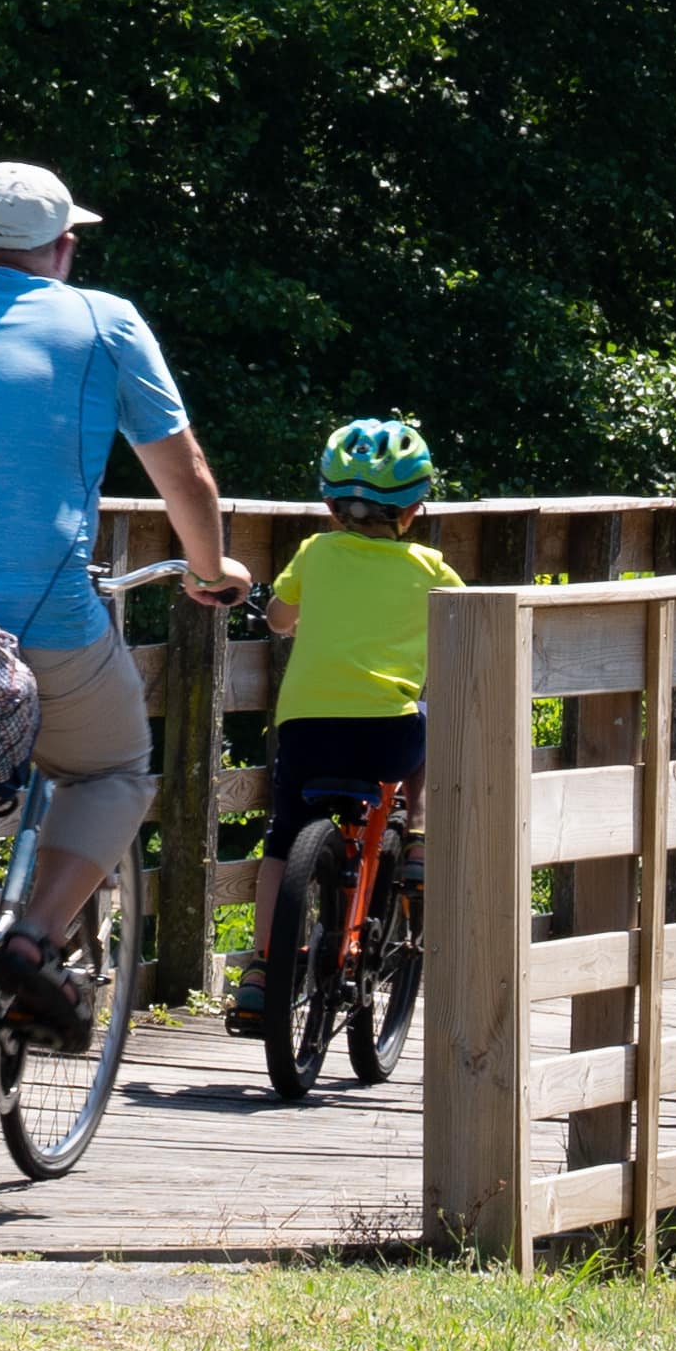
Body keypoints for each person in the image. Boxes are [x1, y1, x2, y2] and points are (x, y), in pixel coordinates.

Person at [0, 159, 244, 1035]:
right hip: (39, 619)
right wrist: (213, 570)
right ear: (65, 250)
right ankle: (29, 939)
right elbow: (185, 475)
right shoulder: (107, 322)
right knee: (111, 767)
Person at [224, 418, 455, 1031]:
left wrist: (271, 606)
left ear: (330, 504)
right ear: (414, 509)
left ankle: (262, 970)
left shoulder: (316, 552)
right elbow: (470, 626)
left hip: (308, 730)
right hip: (388, 736)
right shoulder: (431, 567)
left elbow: (277, 619)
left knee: (282, 839)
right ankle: (421, 833)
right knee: (428, 718)